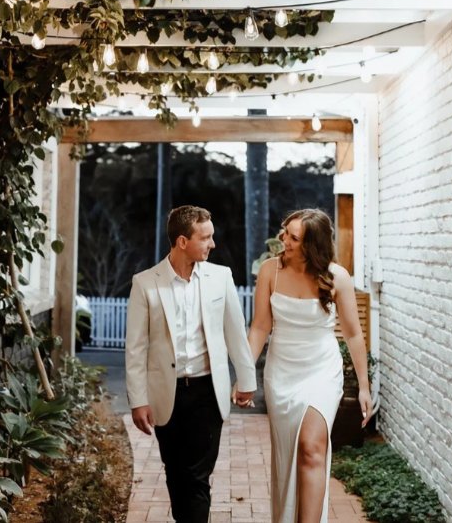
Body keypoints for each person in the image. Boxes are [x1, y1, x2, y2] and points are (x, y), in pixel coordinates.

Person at [125, 205, 258, 523]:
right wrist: (138, 400)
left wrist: (247, 381)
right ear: (182, 241)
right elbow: (135, 348)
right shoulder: (145, 283)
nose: (213, 244)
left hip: (207, 392)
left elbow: (235, 332)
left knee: (197, 477)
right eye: (205, 237)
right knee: (175, 473)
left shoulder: (220, 277)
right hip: (166, 394)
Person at [245, 208, 373, 523]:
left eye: (293, 238)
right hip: (281, 373)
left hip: (321, 371)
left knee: (311, 447)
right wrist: (245, 375)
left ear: (312, 245)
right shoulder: (270, 271)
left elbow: (353, 334)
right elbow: (260, 327)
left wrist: (364, 387)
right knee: (289, 452)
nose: (284, 241)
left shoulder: (337, 277)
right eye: (285, 233)